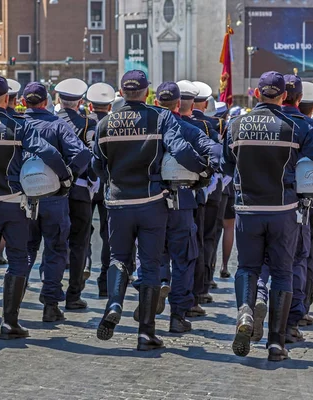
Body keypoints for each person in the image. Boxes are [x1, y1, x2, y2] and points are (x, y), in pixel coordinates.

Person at [224, 71, 313, 361]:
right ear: (284, 96)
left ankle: (245, 310)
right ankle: (276, 344)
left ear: (256, 93)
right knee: (281, 273)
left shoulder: (235, 125)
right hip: (284, 211)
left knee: (247, 268)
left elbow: (227, 166)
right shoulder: (295, 126)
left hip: (247, 210)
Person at [93, 70, 209, 351]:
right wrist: (201, 170)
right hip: (151, 201)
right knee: (152, 263)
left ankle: (115, 303)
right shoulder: (160, 117)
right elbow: (179, 147)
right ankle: (146, 333)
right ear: (147, 93)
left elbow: (97, 165)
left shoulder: (105, 123)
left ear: (121, 92)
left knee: (119, 258)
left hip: (118, 201)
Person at [0, 75, 72, 342]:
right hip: (14, 201)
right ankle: (9, 323)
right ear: (8, 98)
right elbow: (48, 152)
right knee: (17, 260)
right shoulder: (17, 125)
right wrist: (63, 178)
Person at [142, 81, 221, 334]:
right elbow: (216, 154)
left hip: (149, 199)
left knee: (152, 256)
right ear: (179, 104)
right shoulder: (190, 128)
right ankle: (178, 315)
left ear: (156, 102)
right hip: (184, 200)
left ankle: (153, 300)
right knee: (185, 257)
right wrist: (204, 172)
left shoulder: (144, 127)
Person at [23, 82, 91, 321]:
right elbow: (83, 154)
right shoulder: (58, 125)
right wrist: (68, 176)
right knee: (55, 249)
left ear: (24, 102)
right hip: (53, 196)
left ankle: (15, 294)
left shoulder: (16, 123)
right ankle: (50, 304)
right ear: (45, 102)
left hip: (24, 197)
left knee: (25, 248)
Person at [55, 78, 98, 309]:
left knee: (54, 242)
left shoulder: (52, 122)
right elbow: (92, 153)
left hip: (52, 190)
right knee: (79, 243)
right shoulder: (87, 123)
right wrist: (91, 178)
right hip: (80, 190)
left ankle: (51, 292)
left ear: (59, 101)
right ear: (80, 101)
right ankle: (73, 294)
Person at [192, 82, 223, 302]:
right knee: (208, 236)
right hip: (210, 187)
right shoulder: (213, 125)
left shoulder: (171, 121)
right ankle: (203, 284)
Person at [86, 82, 116, 297]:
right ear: (110, 106)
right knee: (109, 236)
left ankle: (85, 265)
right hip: (107, 183)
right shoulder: (112, 123)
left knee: (82, 233)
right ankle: (104, 280)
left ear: (89, 106)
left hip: (85, 184)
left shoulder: (83, 122)